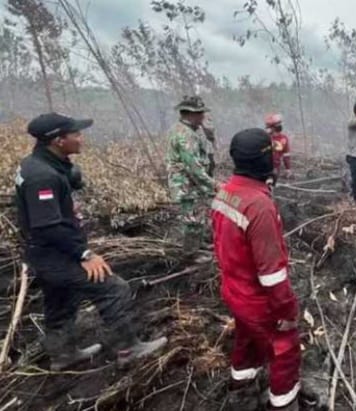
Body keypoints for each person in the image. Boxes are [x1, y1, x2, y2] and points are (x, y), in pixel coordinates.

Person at [15, 113, 167, 371]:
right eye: (76, 134)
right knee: (113, 288)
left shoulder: (36, 163)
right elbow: (48, 226)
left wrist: (68, 173)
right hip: (54, 253)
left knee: (60, 300)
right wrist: (84, 254)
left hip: (41, 253)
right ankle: (129, 349)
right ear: (59, 140)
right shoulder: (43, 177)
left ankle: (63, 355)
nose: (81, 138)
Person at [212, 128, 317, 411]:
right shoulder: (259, 206)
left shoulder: (225, 192)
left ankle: (242, 387)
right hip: (258, 299)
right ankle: (283, 403)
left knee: (247, 338)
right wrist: (286, 312)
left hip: (233, 289)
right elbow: (271, 273)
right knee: (284, 349)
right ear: (265, 159)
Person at [165, 95, 219, 257]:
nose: (203, 117)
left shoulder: (188, 131)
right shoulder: (185, 135)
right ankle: (191, 254)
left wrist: (211, 136)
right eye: (200, 113)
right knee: (191, 218)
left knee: (198, 215)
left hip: (191, 182)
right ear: (190, 114)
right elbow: (193, 166)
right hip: (186, 183)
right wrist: (213, 184)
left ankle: (198, 244)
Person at [265, 113, 293, 180]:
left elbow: (286, 155)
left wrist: (288, 169)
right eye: (277, 124)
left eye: (279, 124)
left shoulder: (283, 138)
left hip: (275, 168)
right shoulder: (264, 138)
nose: (279, 126)